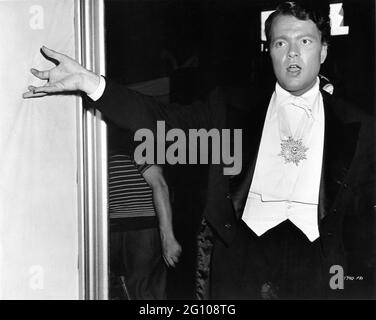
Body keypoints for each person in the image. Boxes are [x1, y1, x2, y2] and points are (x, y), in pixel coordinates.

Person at [23, 1, 374, 299]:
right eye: (281, 42)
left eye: (305, 41)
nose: (293, 52)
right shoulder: (229, 108)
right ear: (269, 51)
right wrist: (90, 83)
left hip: (319, 277)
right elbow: (159, 117)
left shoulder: (361, 128)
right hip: (241, 276)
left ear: (324, 50)